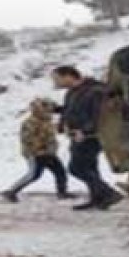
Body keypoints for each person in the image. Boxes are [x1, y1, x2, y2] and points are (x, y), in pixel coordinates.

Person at [51, 65, 124, 211]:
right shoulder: (72, 93)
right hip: (76, 134)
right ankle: (98, 198)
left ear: (68, 76)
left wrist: (85, 131)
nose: (55, 82)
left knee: (76, 168)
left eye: (56, 78)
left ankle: (109, 193)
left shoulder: (94, 91)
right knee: (90, 167)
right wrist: (57, 112)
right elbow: (71, 111)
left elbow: (99, 116)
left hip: (90, 136)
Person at [1, 98, 71, 203]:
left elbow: (51, 134)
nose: (53, 111)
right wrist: (39, 149)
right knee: (33, 175)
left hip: (49, 152)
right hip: (35, 153)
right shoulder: (30, 122)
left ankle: (62, 192)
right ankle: (11, 192)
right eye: (50, 109)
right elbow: (27, 139)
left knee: (60, 172)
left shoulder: (47, 121)